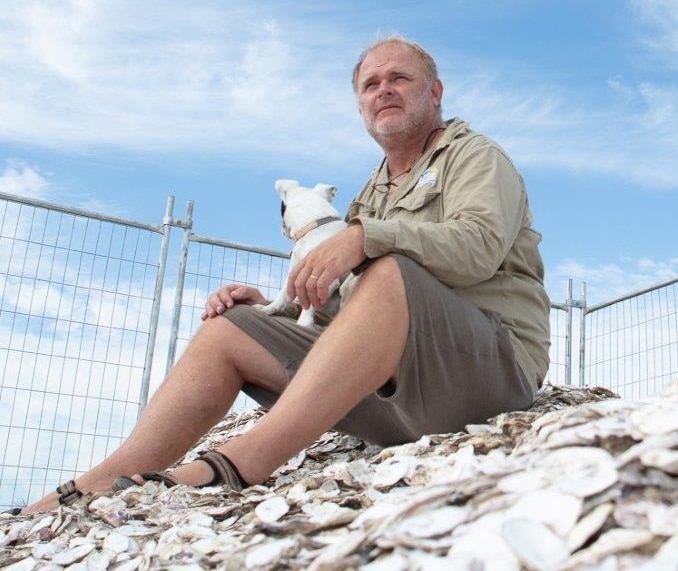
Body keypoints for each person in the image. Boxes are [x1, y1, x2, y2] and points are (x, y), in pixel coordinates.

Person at [21, 35, 550, 514]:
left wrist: (368, 238)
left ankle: (242, 463)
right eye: (371, 84)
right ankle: (103, 482)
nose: (383, 90)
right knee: (230, 327)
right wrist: (279, 305)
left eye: (399, 78)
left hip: (491, 373)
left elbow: (477, 248)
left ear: (434, 92)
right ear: (361, 106)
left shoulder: (475, 157)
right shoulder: (372, 193)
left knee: (390, 268)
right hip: (401, 396)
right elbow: (361, 312)